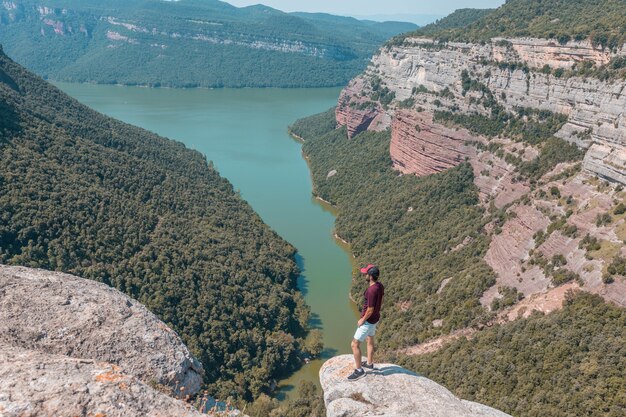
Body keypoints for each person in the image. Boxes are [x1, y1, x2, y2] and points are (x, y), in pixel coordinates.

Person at [347, 264, 384, 381]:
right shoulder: (380, 286)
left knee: (354, 344)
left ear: (371, 276)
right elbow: (380, 302)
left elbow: (370, 309)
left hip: (368, 321)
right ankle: (369, 363)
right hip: (375, 319)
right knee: (370, 339)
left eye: (366, 274)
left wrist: (362, 320)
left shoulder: (371, 290)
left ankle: (359, 371)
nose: (365, 275)